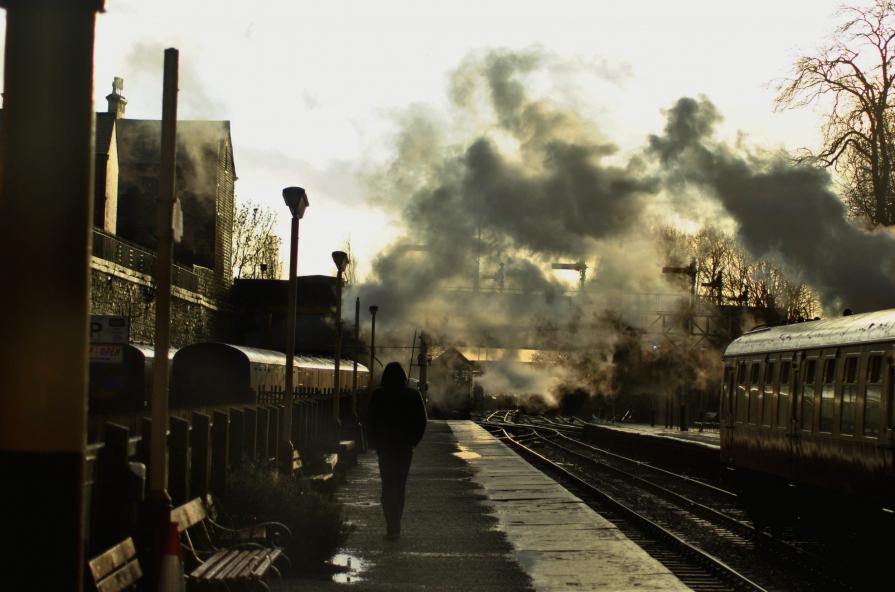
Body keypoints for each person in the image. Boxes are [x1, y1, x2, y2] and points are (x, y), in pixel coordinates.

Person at [365, 362, 427, 541]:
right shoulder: (412, 395)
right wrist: (413, 441)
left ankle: (391, 525)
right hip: (405, 448)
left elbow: (370, 421)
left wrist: (374, 443)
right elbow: (421, 421)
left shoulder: (378, 395)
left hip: (385, 448)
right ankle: (396, 523)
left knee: (387, 485)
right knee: (400, 485)